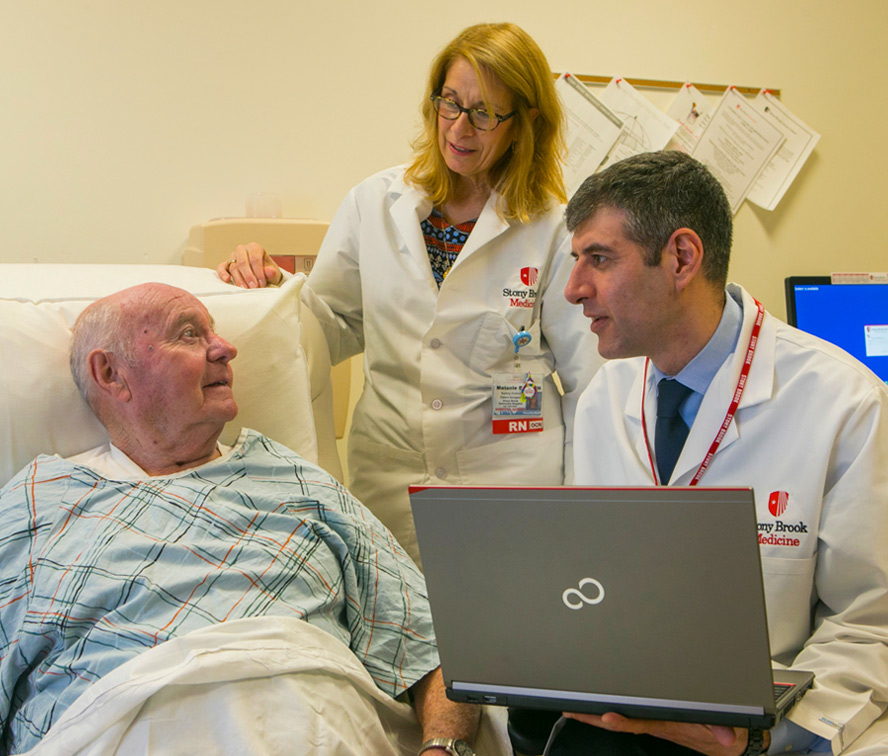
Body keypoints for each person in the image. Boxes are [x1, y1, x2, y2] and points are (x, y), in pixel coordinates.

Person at [0, 283, 481, 756]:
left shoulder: (298, 483)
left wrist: (444, 748)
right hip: (117, 723)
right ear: (110, 373)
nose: (225, 348)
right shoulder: (40, 501)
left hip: (316, 721)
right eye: (188, 334)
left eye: (214, 332)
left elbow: (433, 645)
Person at [532, 150, 888, 755]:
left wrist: (755, 740)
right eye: (575, 261)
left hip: (766, 736)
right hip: (625, 720)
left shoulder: (845, 405)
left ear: (681, 258)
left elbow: (868, 625)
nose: (572, 290)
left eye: (598, 259)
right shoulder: (601, 401)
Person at [218, 22, 602, 565]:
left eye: (485, 112)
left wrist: (589, 504)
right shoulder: (374, 203)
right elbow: (330, 324)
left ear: (526, 123)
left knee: (506, 635)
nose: (460, 128)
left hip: (511, 478)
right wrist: (268, 286)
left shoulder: (554, 228)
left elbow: (590, 380)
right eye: (451, 102)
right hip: (392, 477)